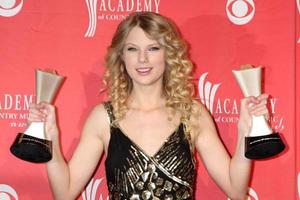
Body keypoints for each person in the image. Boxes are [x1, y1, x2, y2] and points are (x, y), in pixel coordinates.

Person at [29, 12, 269, 200]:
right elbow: (64, 193)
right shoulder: (103, 118)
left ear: (168, 54)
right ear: (122, 56)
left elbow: (236, 191)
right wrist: (50, 138)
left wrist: (244, 132)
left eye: (153, 48)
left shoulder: (192, 114)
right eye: (133, 49)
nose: (142, 59)